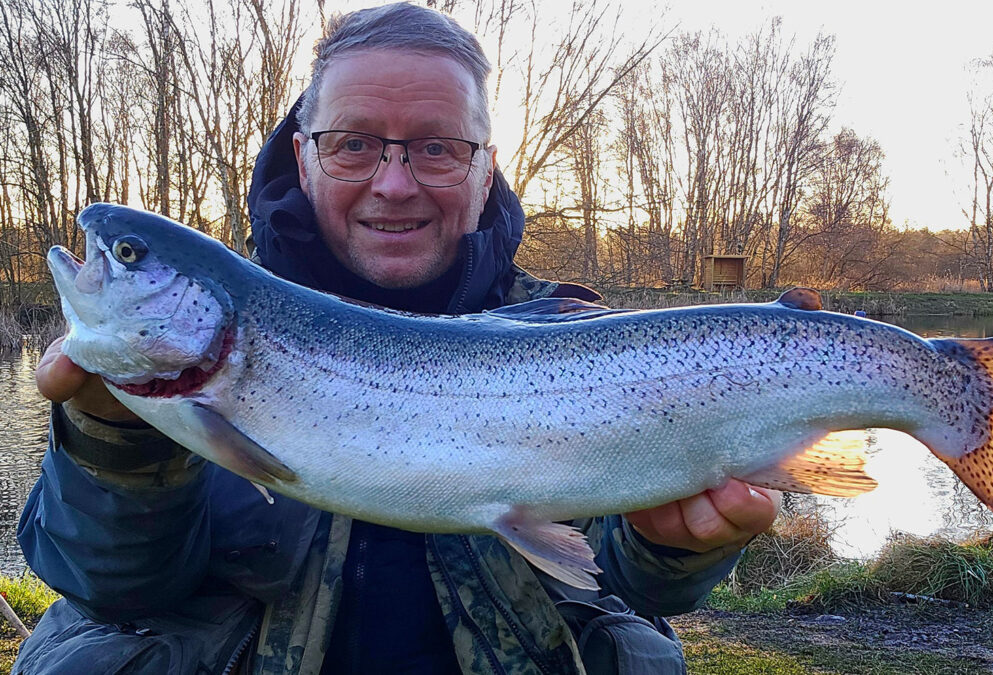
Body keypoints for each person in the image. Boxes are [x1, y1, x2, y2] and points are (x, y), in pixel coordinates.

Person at [15, 4, 780, 673]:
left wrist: (675, 549)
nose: (394, 182)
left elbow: (626, 587)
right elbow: (113, 589)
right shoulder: (182, 371)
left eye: (437, 148)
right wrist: (115, 447)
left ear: (485, 172)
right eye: (353, 143)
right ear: (303, 158)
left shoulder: (584, 342)